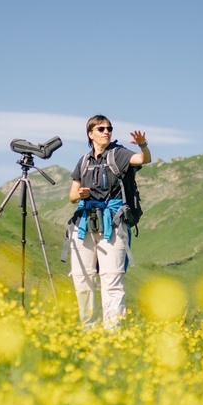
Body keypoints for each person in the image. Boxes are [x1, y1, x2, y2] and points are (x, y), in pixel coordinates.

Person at [67, 114, 151, 328]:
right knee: (82, 279)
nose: (106, 132)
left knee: (111, 279)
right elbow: (72, 196)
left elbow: (143, 160)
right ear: (90, 134)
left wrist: (143, 146)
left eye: (109, 128)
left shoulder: (119, 154)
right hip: (84, 224)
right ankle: (89, 328)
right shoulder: (84, 161)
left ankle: (113, 335)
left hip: (112, 225)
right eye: (101, 128)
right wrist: (82, 194)